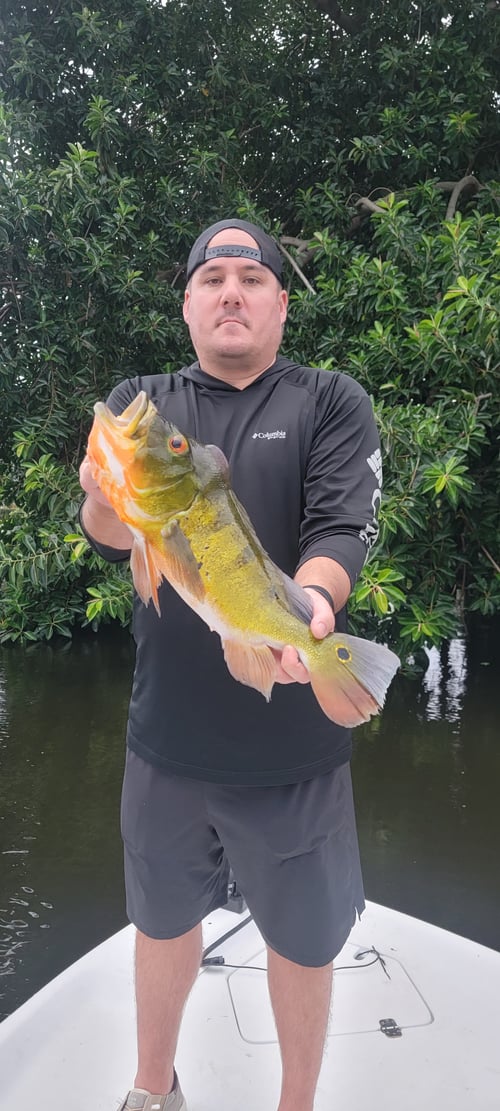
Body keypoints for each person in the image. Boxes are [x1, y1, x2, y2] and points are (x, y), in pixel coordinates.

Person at [79, 218, 382, 1111]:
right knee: (161, 922)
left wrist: (312, 612)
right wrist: (106, 498)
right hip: (165, 741)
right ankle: (152, 1088)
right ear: (188, 303)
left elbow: (339, 531)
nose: (232, 292)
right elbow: (107, 535)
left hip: (293, 752)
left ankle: (296, 1104)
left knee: (303, 938)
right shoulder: (147, 401)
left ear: (281, 305)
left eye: (252, 278)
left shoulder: (330, 401)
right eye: (212, 278)